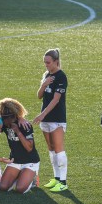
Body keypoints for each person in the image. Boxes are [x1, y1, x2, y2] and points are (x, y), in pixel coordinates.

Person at [33, 48, 68, 192]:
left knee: (59, 150)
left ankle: (64, 182)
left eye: (48, 62)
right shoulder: (46, 75)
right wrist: (44, 84)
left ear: (56, 61)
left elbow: (55, 100)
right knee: (52, 150)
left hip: (57, 118)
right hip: (46, 119)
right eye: (44, 62)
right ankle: (56, 178)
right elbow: (39, 96)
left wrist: (42, 115)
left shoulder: (61, 77)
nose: (46, 65)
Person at [0, 98, 40, 194]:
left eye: (10, 118)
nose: (7, 121)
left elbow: (29, 148)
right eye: (4, 118)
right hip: (15, 160)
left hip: (30, 161)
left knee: (20, 189)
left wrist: (18, 131)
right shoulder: (4, 123)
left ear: (15, 115)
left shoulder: (25, 125)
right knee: (3, 187)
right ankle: (20, 175)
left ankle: (32, 177)